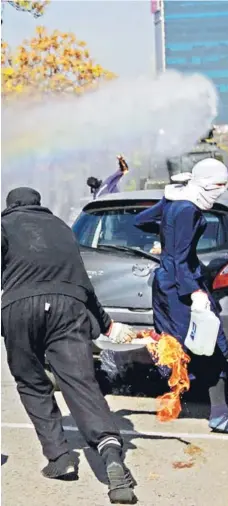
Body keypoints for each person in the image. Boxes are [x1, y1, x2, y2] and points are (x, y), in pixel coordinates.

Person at [1, 187, 137, 504]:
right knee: (81, 384)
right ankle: (110, 454)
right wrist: (107, 324)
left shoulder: (4, 225)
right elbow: (83, 283)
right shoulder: (62, 227)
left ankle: (60, 458)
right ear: (39, 204)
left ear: (10, 206)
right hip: (69, 307)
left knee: (31, 381)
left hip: (19, 308)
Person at [135, 158, 228, 436]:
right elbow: (181, 260)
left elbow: (141, 221)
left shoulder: (176, 201)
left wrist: (166, 226)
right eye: (219, 185)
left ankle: (177, 391)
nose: (221, 191)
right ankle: (220, 415)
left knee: (177, 344)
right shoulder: (189, 209)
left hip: (165, 284)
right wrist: (195, 292)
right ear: (207, 184)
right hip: (181, 285)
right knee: (212, 346)